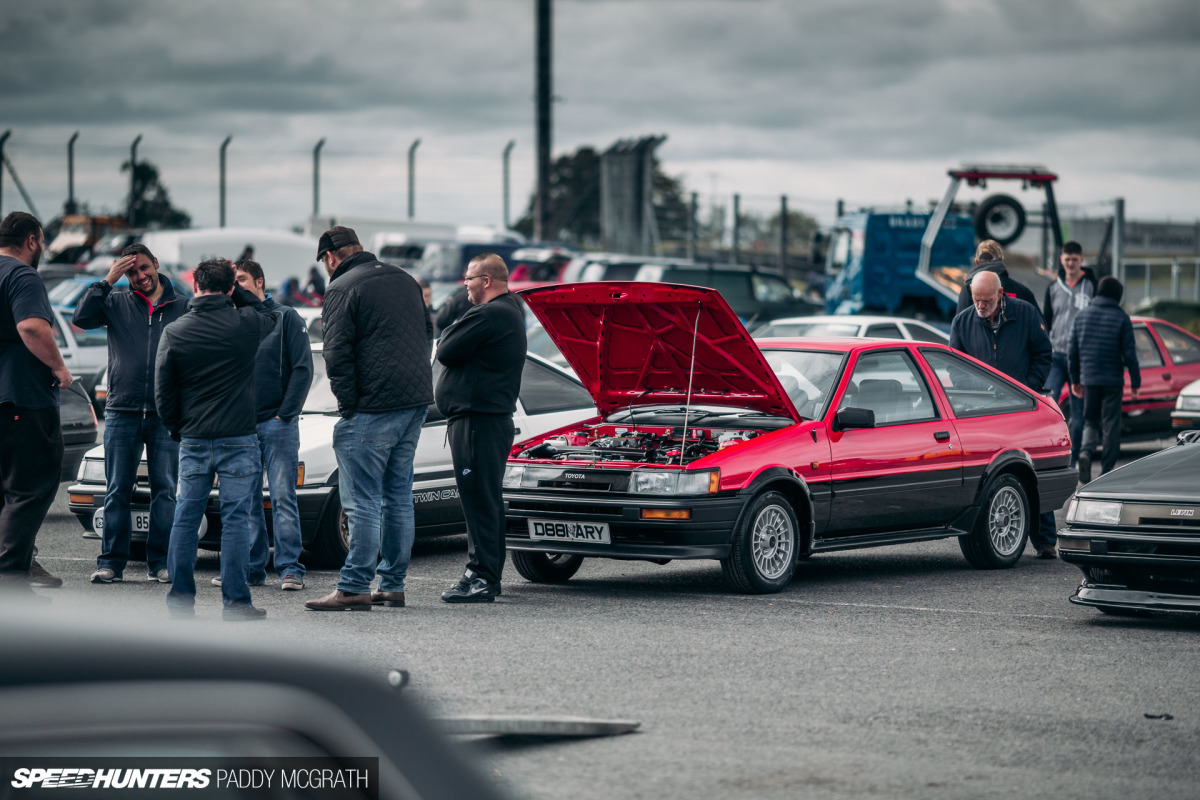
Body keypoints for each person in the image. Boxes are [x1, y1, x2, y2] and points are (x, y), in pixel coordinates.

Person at [305, 227, 432, 612]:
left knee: (361, 501)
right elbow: (427, 333)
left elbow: (337, 353)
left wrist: (348, 406)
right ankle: (392, 585)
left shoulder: (343, 287)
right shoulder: (404, 279)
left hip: (372, 408)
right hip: (413, 403)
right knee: (397, 498)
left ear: (330, 257)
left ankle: (355, 585)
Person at [155, 259, 277, 620]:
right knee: (237, 520)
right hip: (238, 436)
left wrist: (177, 427)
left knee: (185, 518)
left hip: (193, 436)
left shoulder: (175, 331)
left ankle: (179, 602)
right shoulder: (245, 323)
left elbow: (163, 391)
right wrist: (236, 291)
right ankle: (236, 603)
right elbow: (268, 312)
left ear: (194, 286)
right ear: (229, 289)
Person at [74, 244, 188, 585]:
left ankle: (160, 563)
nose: (139, 276)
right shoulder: (116, 302)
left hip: (165, 415)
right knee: (117, 490)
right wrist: (108, 280)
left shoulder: (182, 307)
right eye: (131, 272)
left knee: (165, 490)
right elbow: (81, 317)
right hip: (122, 410)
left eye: (143, 268)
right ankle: (110, 563)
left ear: (155, 263)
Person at [436, 253, 527, 603]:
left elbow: (445, 348)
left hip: (479, 421)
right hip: (482, 421)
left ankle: (483, 577)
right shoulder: (507, 312)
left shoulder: (490, 314)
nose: (466, 285)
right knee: (484, 500)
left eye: (469, 279)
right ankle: (482, 574)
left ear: (486, 281)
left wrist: (456, 321)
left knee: (479, 502)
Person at [950, 269, 1058, 559]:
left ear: (1000, 295)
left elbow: (1043, 355)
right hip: (981, 409)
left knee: (1030, 469)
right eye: (976, 300)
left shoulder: (1025, 313)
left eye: (986, 300)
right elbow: (954, 366)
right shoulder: (963, 320)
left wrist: (1027, 389)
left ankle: (1045, 540)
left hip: (1022, 405)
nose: (980, 306)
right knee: (990, 473)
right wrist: (974, 391)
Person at [227, 259, 314, 592]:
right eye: (233, 280)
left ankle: (291, 568)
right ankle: (252, 568)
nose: (237, 285)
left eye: (243, 279)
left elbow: (303, 369)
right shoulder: (235, 319)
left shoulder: (285, 317)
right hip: (242, 427)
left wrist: (285, 414)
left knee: (282, 497)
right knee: (246, 499)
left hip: (278, 424)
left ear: (260, 282)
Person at [0, 212, 72, 596]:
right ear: (32, 240)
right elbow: (30, 325)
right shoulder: (21, 275)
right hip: (21, 398)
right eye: (42, 242)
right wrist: (59, 368)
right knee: (29, 490)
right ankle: (11, 581)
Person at [1070, 276, 1140, 484]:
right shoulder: (1121, 318)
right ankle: (1107, 470)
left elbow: (1073, 351)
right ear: (1118, 296)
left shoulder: (1081, 316)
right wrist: (1136, 382)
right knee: (1110, 424)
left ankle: (1085, 453)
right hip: (1112, 380)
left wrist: (1075, 379)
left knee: (1090, 420)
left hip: (1089, 378)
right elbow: (1130, 354)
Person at [1041, 241, 1097, 467]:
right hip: (1058, 355)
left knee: (1078, 410)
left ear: (1081, 260)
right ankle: (1050, 453)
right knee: (1048, 402)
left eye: (1075, 259)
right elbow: (1046, 320)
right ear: (1062, 260)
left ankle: (1073, 461)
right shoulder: (1054, 287)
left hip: (1081, 358)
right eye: (1067, 259)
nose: (1071, 263)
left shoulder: (1091, 285)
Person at [956, 240, 1039, 314]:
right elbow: (1041, 325)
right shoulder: (1023, 292)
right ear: (1001, 260)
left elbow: (960, 326)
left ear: (977, 262)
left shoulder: (969, 289)